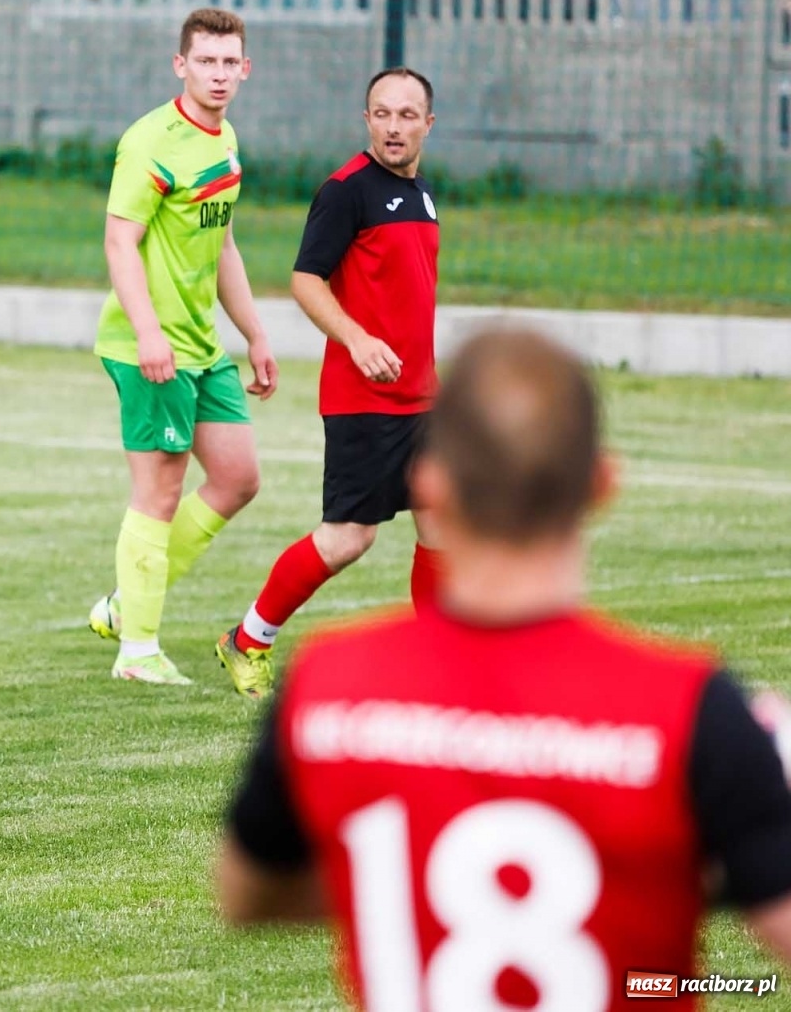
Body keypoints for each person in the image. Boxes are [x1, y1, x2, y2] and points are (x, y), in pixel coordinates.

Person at [219, 328, 791, 1008]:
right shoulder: (694, 712)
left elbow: (243, 893)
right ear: (602, 483)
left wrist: (402, 875)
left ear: (432, 484)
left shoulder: (323, 688)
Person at [213, 67, 443, 699]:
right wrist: (359, 339)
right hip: (364, 402)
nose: (393, 127)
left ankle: (442, 661)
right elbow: (306, 280)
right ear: (365, 119)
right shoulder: (345, 191)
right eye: (382, 114)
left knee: (445, 520)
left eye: (406, 115)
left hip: (422, 398)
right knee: (349, 538)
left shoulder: (422, 193)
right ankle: (249, 637)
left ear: (428, 123)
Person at [86, 7, 279, 690]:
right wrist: (147, 335)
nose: (219, 74)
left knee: (238, 478)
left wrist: (254, 332)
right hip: (149, 345)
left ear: (244, 69)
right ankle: (137, 649)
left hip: (202, 347)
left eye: (230, 63)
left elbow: (223, 244)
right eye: (206, 62)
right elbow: (119, 242)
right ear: (181, 65)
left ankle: (123, 605)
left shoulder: (225, 139)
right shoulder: (150, 141)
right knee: (159, 490)